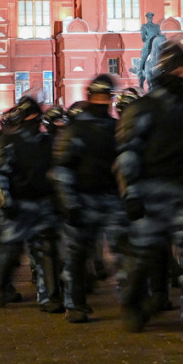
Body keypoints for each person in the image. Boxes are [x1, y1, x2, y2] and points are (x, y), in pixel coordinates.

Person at [117, 40, 183, 342]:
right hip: (152, 192)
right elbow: (128, 153)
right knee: (143, 254)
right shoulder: (144, 109)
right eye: (181, 69)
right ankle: (133, 303)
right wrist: (131, 192)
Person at [53, 75, 126, 323]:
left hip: (111, 198)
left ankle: (132, 301)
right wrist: (69, 202)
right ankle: (74, 304)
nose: (102, 101)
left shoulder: (116, 128)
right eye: (98, 97)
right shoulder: (76, 129)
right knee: (76, 254)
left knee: (124, 250)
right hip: (83, 199)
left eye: (106, 97)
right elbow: (62, 167)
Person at [0, 96, 63, 311]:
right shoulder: (6, 143)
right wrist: (6, 203)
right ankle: (1, 289)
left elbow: (57, 172)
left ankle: (50, 297)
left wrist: (59, 200)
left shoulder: (47, 142)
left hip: (43, 204)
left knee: (47, 250)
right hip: (18, 205)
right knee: (11, 251)